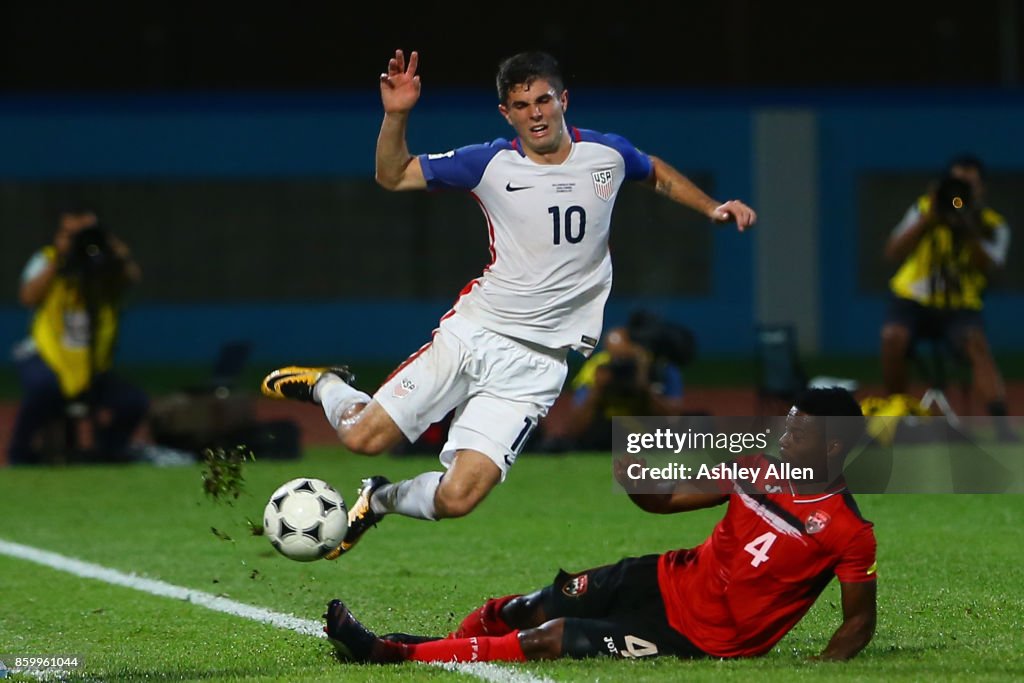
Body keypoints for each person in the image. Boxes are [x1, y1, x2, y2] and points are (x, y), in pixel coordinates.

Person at [260, 49, 756, 558]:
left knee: (458, 497)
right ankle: (328, 384)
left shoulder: (606, 154)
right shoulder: (489, 162)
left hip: (538, 366)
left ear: (563, 100)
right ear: (506, 113)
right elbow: (393, 175)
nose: (535, 113)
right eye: (521, 105)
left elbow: (656, 172)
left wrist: (712, 207)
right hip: (475, 334)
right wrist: (397, 114)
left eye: (543, 100)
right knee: (363, 438)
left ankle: (378, 499)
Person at [321, 387, 876, 664]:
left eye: (798, 433)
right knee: (530, 608)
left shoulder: (849, 532)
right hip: (666, 578)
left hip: (701, 636)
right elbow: (666, 502)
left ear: (831, 447)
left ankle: (392, 655)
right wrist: (638, 479)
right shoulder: (759, 467)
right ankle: (449, 647)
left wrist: (817, 670)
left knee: (551, 639)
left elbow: (858, 624)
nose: (784, 437)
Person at [880, 154, 1014, 438]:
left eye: (969, 186)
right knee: (893, 336)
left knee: (977, 345)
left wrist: (968, 228)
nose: (960, 194)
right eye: (956, 185)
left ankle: (1002, 426)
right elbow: (892, 252)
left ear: (981, 189)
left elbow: (991, 266)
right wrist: (929, 219)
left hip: (959, 307)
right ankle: (899, 414)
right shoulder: (924, 209)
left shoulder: (992, 225)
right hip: (913, 300)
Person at [8, 204, 148, 465]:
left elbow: (130, 279)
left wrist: (116, 251)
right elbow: (28, 296)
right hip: (46, 355)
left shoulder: (105, 263)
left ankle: (109, 453)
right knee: (43, 390)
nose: (79, 241)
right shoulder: (47, 258)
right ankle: (20, 457)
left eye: (85, 233)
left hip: (89, 364)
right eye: (71, 234)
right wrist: (60, 259)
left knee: (133, 402)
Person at [540, 325, 685, 452]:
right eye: (614, 359)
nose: (620, 366)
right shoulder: (598, 368)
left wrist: (644, 388)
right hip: (605, 434)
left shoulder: (656, 367)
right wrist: (597, 391)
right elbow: (574, 429)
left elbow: (674, 420)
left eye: (625, 359)